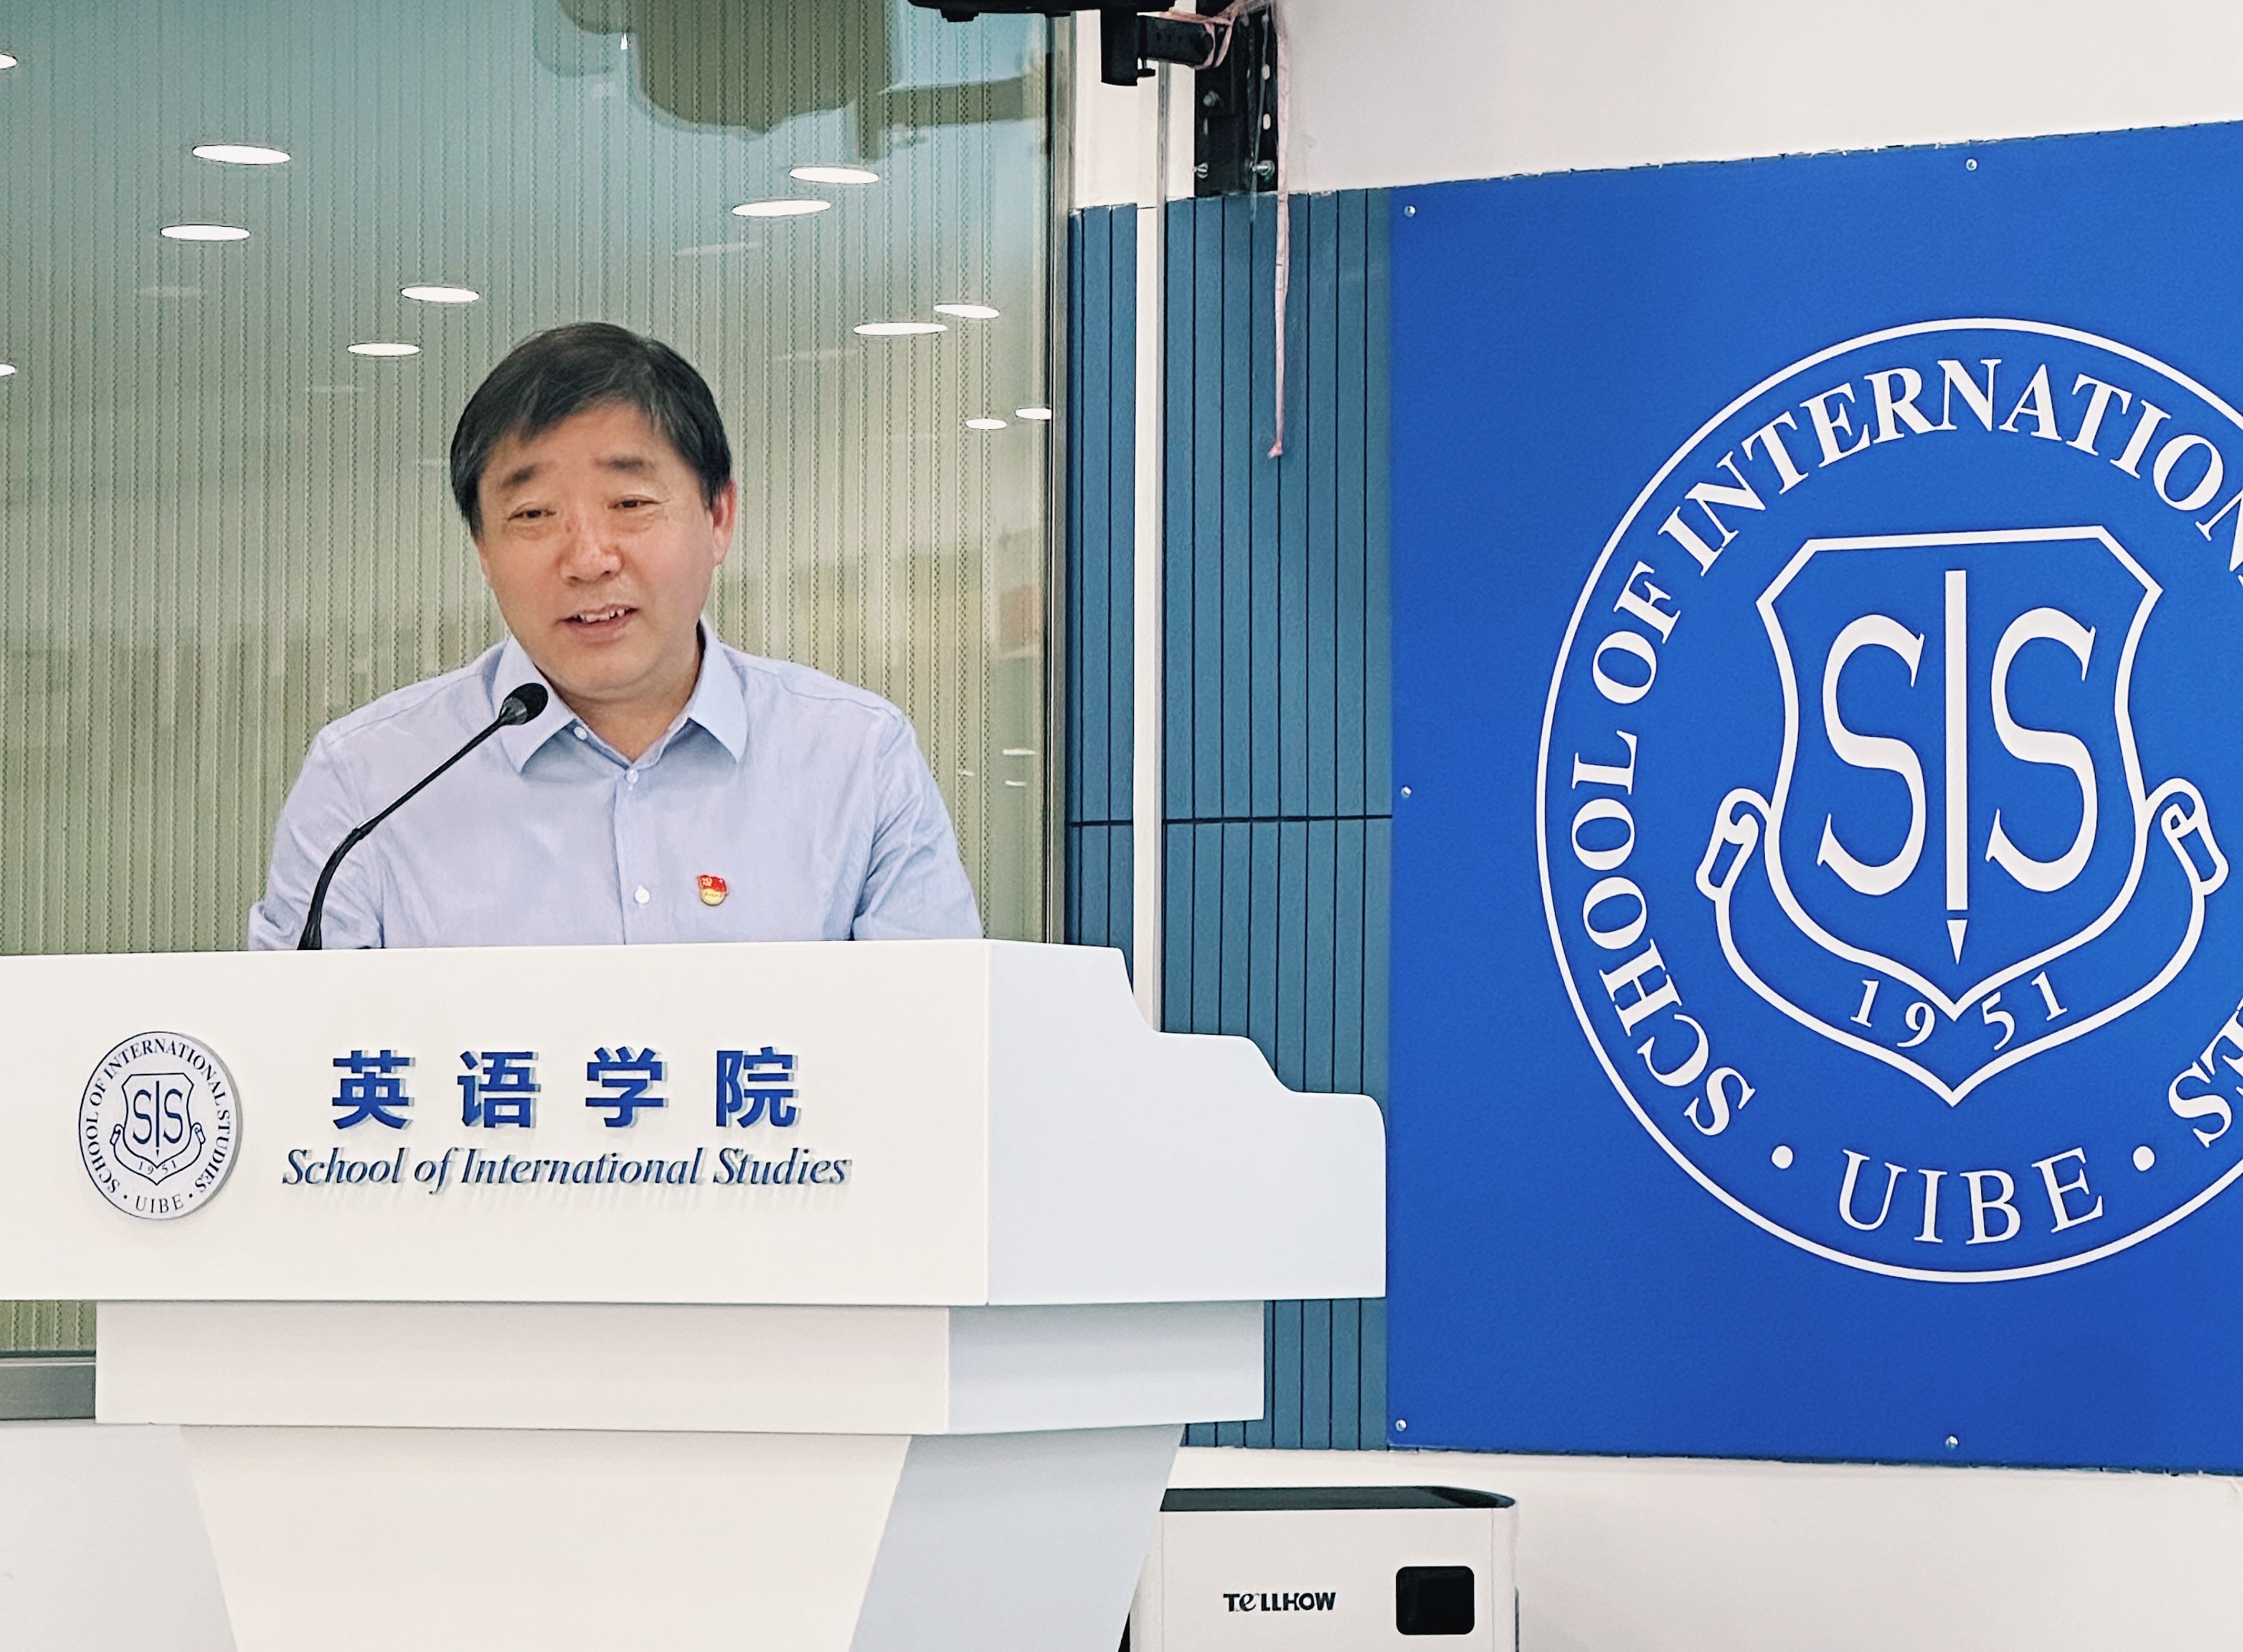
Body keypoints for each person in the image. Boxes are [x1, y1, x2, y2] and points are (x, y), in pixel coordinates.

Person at [247, 322, 981, 949]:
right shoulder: (369, 782)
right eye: (533, 515)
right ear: (482, 549)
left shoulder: (856, 761)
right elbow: (287, 1049)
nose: (589, 558)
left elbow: (940, 1041)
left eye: (630, 503)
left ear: (718, 517)